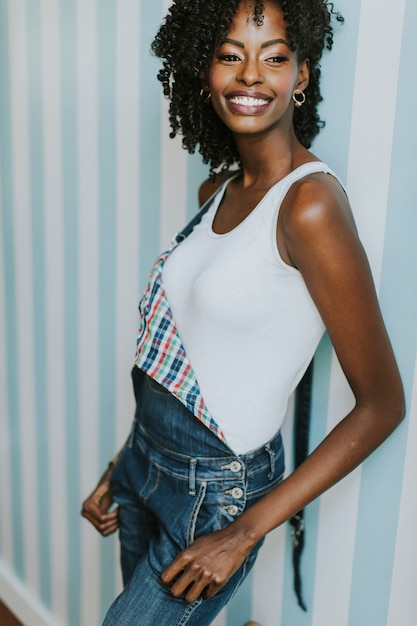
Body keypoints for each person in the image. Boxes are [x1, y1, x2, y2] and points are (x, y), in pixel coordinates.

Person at [81, 1, 405, 624]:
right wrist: (124, 464)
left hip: (217, 494)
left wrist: (244, 532)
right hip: (147, 460)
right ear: (204, 72)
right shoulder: (217, 192)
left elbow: (383, 404)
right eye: (230, 54)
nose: (251, 74)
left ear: (301, 75)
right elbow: (186, 353)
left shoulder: (309, 208)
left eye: (274, 57)